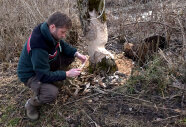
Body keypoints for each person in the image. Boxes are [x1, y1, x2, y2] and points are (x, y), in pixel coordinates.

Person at [17, 12, 87, 120]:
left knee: (70, 56)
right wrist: (66, 74)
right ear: (53, 27)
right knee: (51, 93)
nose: (64, 35)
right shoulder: (38, 46)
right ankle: (31, 104)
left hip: (43, 66)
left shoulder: (49, 31)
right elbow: (43, 76)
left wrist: (76, 53)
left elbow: (61, 44)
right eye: (62, 32)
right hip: (31, 74)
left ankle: (55, 77)